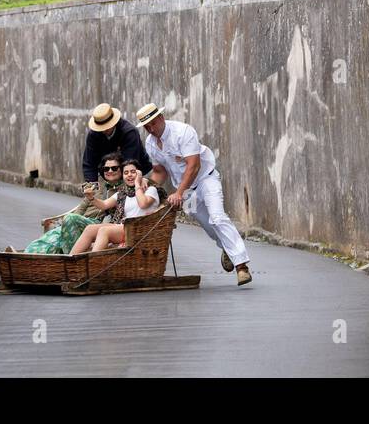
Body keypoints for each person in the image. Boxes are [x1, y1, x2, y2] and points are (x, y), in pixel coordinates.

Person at [135, 102, 252, 286]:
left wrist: (179, 193)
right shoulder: (150, 144)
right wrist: (145, 186)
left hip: (206, 179)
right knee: (209, 227)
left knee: (217, 218)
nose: (150, 128)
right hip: (188, 192)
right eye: (146, 126)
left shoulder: (183, 132)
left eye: (152, 123)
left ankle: (242, 266)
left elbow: (194, 165)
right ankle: (228, 248)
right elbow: (160, 171)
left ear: (161, 118)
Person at [23, 152, 125, 254]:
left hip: (100, 224)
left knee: (70, 220)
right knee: (52, 237)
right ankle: (28, 254)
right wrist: (66, 224)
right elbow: (81, 208)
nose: (110, 171)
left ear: (121, 170)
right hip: (82, 221)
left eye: (114, 168)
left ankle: (69, 259)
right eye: (106, 169)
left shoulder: (123, 190)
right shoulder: (96, 187)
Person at [68, 159, 160, 255]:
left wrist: (138, 184)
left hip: (139, 230)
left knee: (104, 231)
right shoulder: (123, 193)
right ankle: (70, 260)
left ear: (139, 173)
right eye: (126, 173)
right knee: (90, 229)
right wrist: (91, 198)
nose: (129, 175)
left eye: (133, 172)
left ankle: (93, 263)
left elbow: (143, 204)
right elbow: (104, 205)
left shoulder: (150, 190)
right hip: (124, 227)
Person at [82, 102, 151, 182]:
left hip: (137, 172)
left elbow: (130, 164)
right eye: (101, 127)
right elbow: (89, 164)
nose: (105, 129)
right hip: (109, 174)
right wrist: (91, 186)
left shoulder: (129, 133)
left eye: (107, 126)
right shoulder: (93, 135)